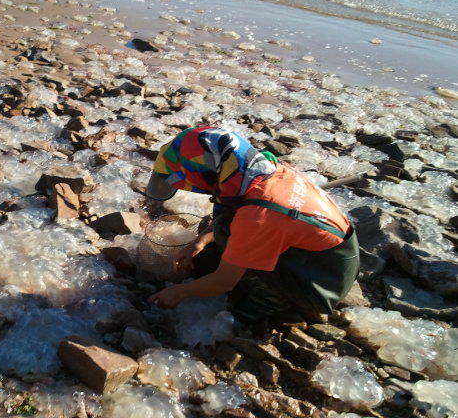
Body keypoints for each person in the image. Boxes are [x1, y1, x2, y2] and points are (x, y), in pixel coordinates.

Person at [145, 125, 360, 323]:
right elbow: (232, 215)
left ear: (205, 171)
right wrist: (200, 241)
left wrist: (180, 292)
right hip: (322, 254)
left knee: (228, 238)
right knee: (221, 227)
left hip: (323, 282)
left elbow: (224, 282)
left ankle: (271, 300)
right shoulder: (260, 170)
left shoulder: (259, 214)